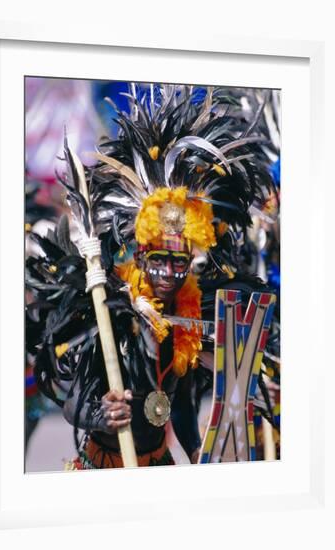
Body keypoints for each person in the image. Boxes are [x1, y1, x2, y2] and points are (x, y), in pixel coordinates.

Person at [26, 83, 279, 469]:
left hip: (158, 464)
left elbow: (178, 402)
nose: (168, 272)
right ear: (141, 255)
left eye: (179, 262)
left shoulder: (186, 317)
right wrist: (101, 415)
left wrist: (194, 449)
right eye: (158, 258)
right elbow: (73, 402)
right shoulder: (111, 311)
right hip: (107, 467)